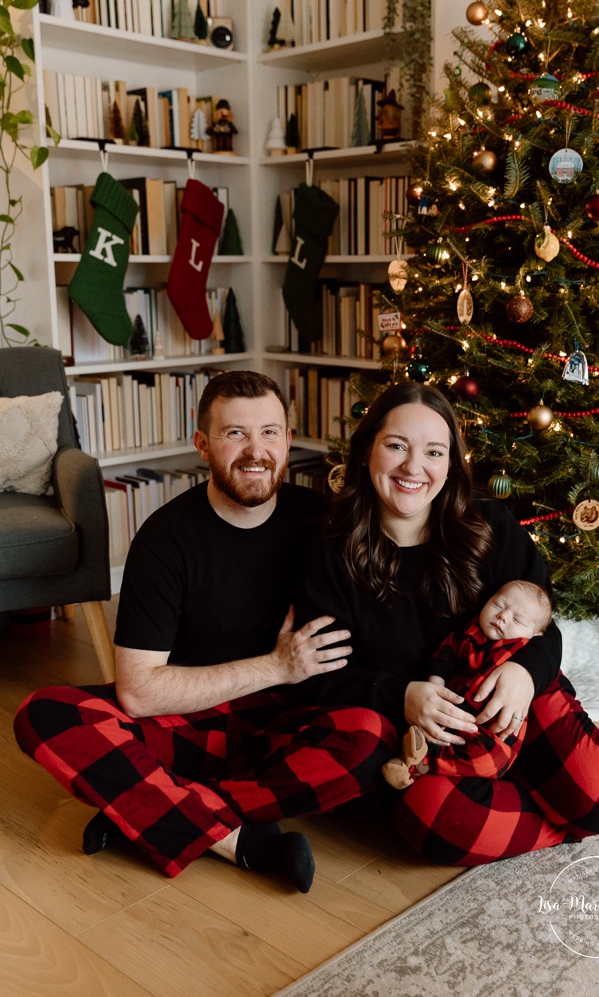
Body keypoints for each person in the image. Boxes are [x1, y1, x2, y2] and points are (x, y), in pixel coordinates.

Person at [14, 371, 395, 892]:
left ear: (287, 440)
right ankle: (237, 839)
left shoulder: (324, 521)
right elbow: (139, 691)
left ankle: (146, 809)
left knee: (369, 738)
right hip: (192, 719)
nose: (255, 451)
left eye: (269, 432)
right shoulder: (165, 540)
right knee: (44, 715)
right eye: (235, 433)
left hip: (293, 720)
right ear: (203, 445)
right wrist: (276, 666)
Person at [294, 381, 599, 867]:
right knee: (436, 823)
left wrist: (525, 673)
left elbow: (545, 629)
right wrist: (399, 695)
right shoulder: (328, 552)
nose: (413, 467)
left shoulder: (488, 525)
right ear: (366, 451)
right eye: (396, 445)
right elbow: (321, 677)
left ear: (451, 462)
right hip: (423, 737)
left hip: (510, 700)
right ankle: (590, 816)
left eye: (433, 452)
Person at [381, 580, 552, 790]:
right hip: (450, 707)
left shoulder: (519, 649)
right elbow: (443, 657)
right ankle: (417, 754)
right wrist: (436, 683)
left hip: (491, 729)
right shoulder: (466, 632)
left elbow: (484, 694)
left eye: (517, 619)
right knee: (426, 726)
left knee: (493, 759)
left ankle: (422, 762)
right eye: (498, 605)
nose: (503, 616)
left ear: (535, 636)